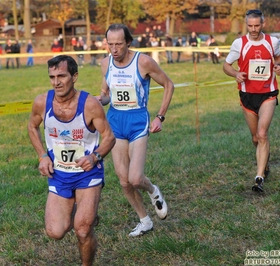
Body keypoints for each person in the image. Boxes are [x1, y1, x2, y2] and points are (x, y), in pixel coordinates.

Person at [27, 55, 116, 266]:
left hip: (88, 174)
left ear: (74, 76)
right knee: (55, 231)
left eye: (61, 76)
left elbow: (109, 137)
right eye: (52, 76)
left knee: (83, 230)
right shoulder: (42, 102)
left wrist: (95, 157)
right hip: (59, 174)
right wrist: (41, 155)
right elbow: (32, 126)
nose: (56, 82)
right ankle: (81, 210)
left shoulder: (90, 105)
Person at [98, 24, 175, 236]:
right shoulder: (105, 64)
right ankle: (144, 220)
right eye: (110, 44)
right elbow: (106, 94)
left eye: (118, 44)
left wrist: (160, 116)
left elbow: (169, 85)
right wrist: (99, 100)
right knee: (123, 180)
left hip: (137, 119)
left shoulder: (143, 61)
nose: (114, 49)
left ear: (128, 42)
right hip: (115, 120)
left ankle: (153, 191)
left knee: (135, 178)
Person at [223, 9, 280, 193]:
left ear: (263, 24)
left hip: (268, 93)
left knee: (263, 133)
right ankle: (264, 160)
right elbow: (226, 65)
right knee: (256, 138)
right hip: (247, 94)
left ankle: (259, 178)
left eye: (257, 25)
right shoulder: (239, 43)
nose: (254, 29)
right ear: (246, 24)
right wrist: (236, 74)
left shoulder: (272, 41)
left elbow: (279, 57)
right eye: (250, 26)